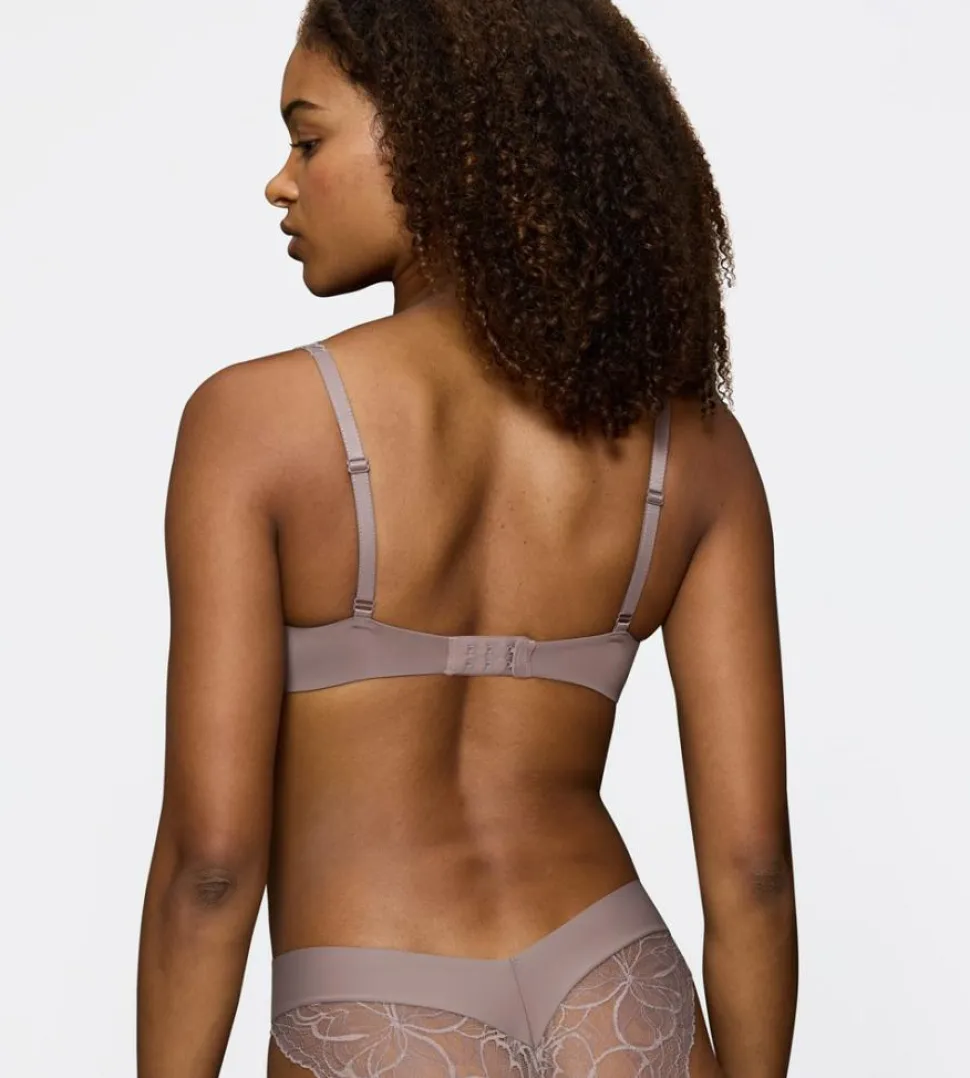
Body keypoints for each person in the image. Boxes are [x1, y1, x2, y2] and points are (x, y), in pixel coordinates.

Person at [136, 2, 797, 1076]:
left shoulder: (254, 426)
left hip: (372, 1006)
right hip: (619, 991)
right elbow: (753, 868)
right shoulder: (696, 453)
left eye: (308, 138)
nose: (281, 182)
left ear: (439, 137)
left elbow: (210, 866)